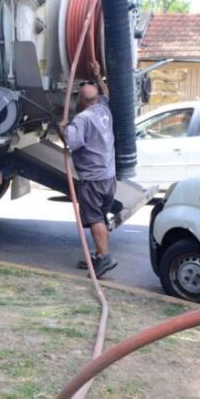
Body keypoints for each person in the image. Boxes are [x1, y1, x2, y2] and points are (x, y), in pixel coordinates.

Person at [63, 61, 118, 278]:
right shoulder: (104, 109)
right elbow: (105, 93)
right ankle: (98, 254)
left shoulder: (82, 119)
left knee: (95, 218)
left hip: (93, 179)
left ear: (80, 100)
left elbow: (72, 143)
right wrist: (97, 75)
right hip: (108, 177)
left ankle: (104, 258)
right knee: (101, 218)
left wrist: (64, 128)